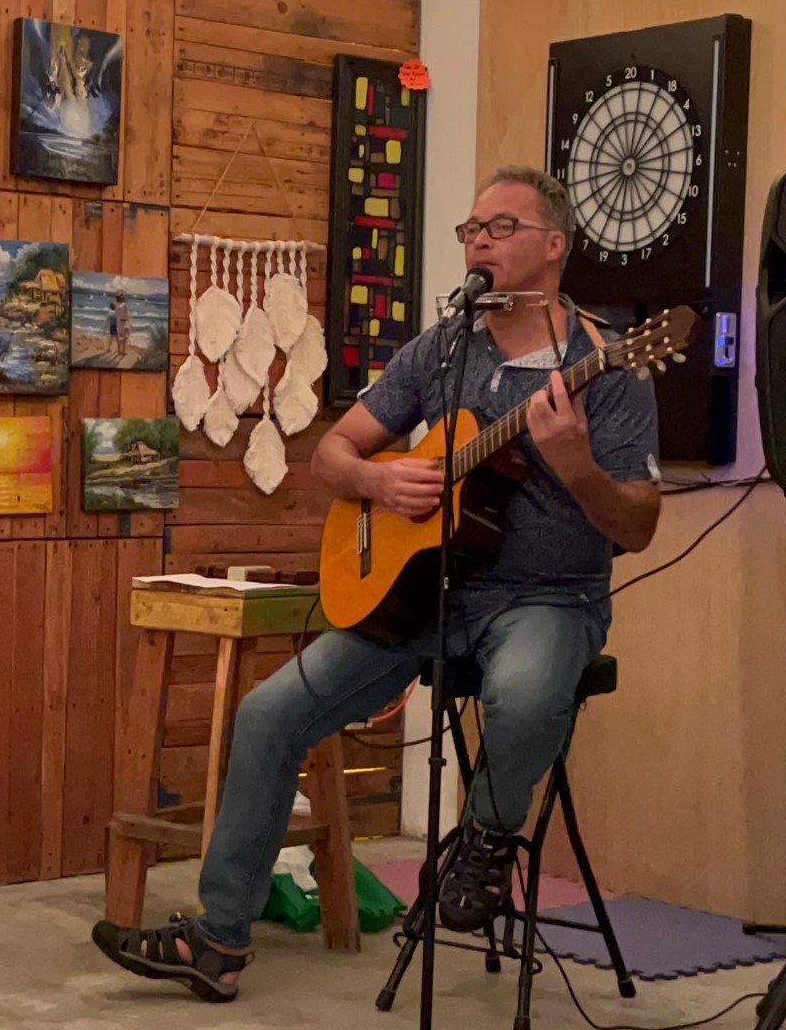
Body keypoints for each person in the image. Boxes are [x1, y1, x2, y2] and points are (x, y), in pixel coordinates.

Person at [91, 166, 661, 1002]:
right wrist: (379, 485)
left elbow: (639, 526)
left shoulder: (609, 364)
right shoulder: (446, 347)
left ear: (553, 246)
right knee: (268, 714)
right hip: (422, 593)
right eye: (470, 229)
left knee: (528, 689)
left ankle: (484, 843)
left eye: (498, 227)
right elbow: (331, 452)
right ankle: (215, 942)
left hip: (547, 596)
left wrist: (577, 469)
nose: (476, 241)